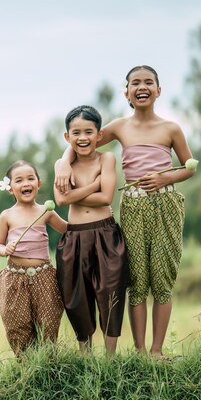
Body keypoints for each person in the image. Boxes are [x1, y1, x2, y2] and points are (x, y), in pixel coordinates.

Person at [55, 65, 196, 358]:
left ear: (159, 90)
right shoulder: (120, 126)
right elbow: (85, 140)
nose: (141, 86)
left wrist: (164, 178)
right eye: (135, 83)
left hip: (165, 204)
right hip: (132, 205)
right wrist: (62, 164)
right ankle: (141, 351)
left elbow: (188, 167)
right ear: (127, 92)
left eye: (148, 82)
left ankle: (157, 351)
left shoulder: (171, 128)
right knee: (137, 280)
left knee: (162, 277)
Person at [53, 105, 129, 355]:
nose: (82, 138)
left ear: (99, 134)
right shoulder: (62, 165)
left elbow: (106, 197)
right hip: (74, 236)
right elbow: (61, 201)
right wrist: (92, 186)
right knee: (76, 297)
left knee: (110, 294)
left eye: (89, 131)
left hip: (105, 235)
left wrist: (77, 193)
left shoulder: (106, 158)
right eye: (76, 132)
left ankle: (109, 359)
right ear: (67, 137)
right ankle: (85, 357)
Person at [0, 160, 68, 356]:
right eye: (19, 180)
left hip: (44, 277)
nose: (25, 183)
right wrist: (5, 249)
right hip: (15, 278)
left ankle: (48, 364)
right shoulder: (7, 215)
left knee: (49, 320)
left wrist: (92, 215)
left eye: (30, 178)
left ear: (39, 183)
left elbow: (68, 229)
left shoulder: (46, 211)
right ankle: (25, 365)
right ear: (10, 188)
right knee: (17, 323)